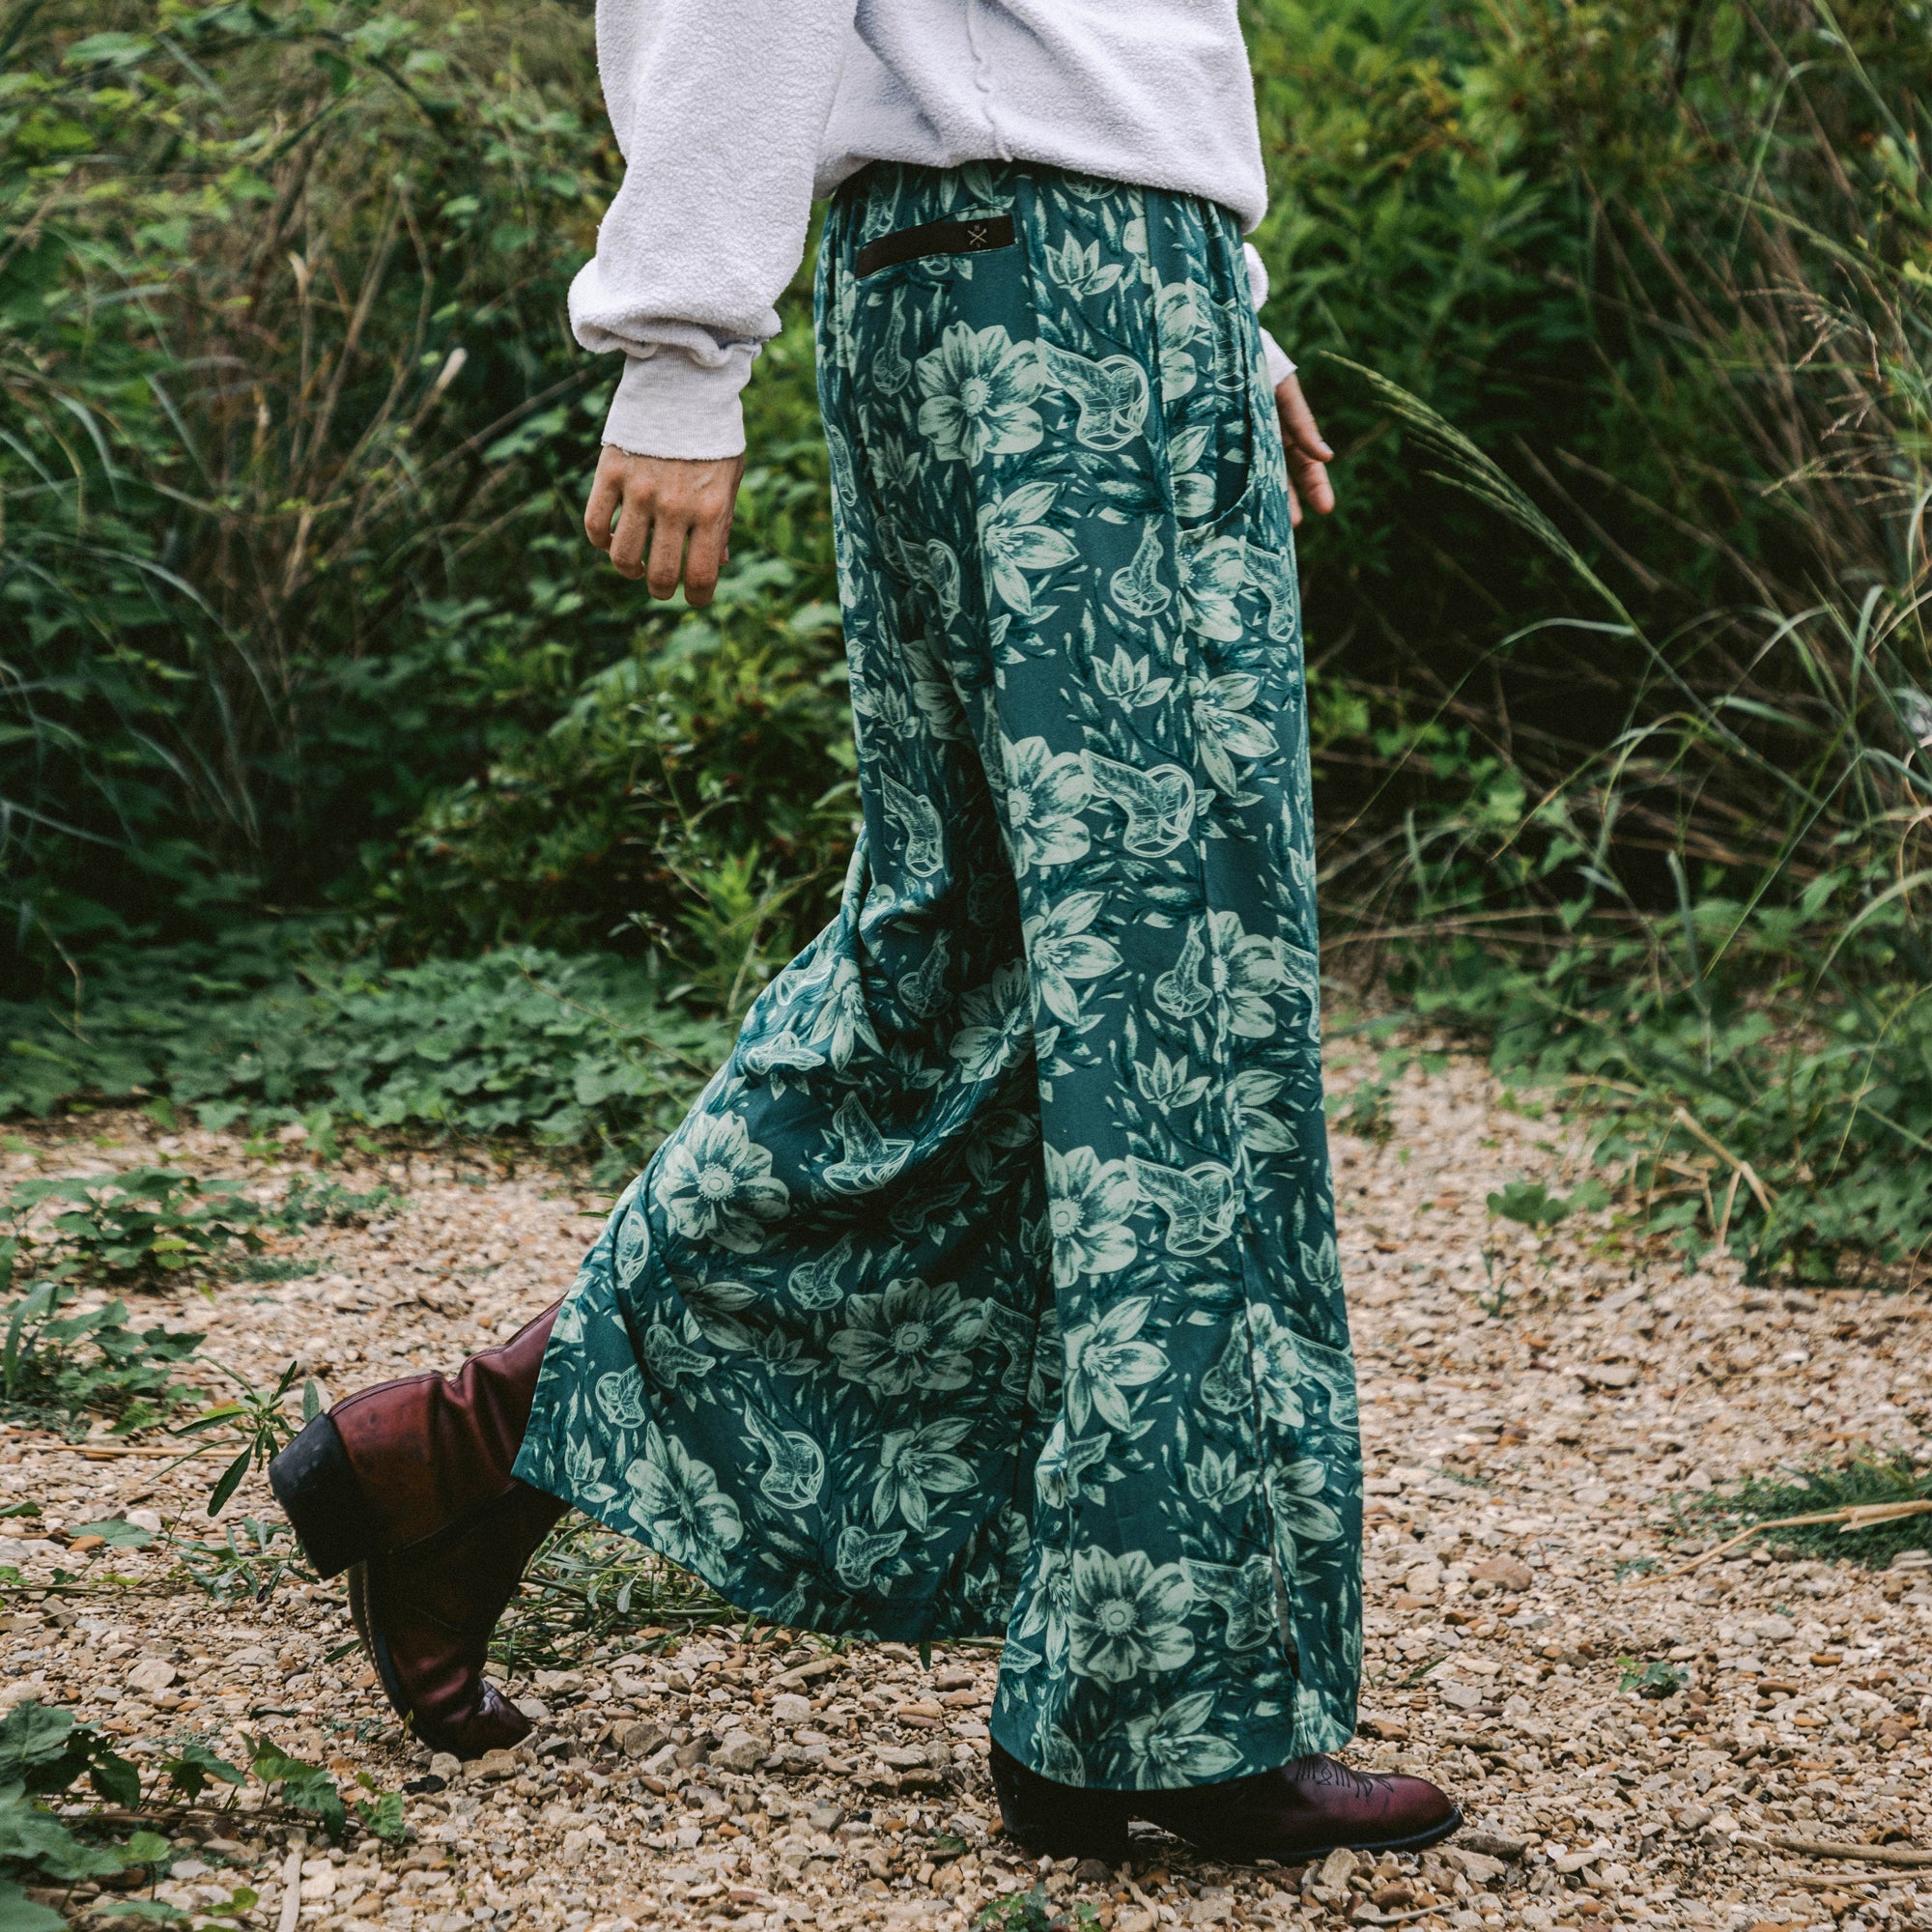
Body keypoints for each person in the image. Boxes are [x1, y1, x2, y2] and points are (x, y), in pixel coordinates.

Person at [270, 0, 1462, 1866]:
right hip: (1056, 294)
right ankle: (1145, 1714)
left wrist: (1223, 300)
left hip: (1052, 281)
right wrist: (680, 344)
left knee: (964, 963)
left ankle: (473, 1446)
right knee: (1166, 999)